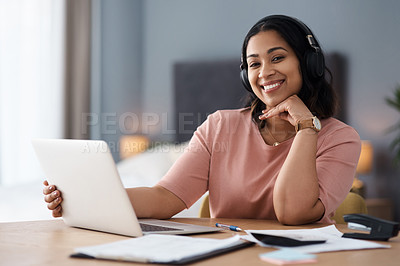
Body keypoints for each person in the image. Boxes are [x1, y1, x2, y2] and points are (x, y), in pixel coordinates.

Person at [43, 15, 361, 225]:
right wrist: (86, 199)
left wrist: (307, 127)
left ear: (310, 64)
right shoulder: (220, 126)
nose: (265, 73)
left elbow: (293, 212)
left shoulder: (341, 139)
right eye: (253, 64)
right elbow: (165, 198)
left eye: (277, 58)